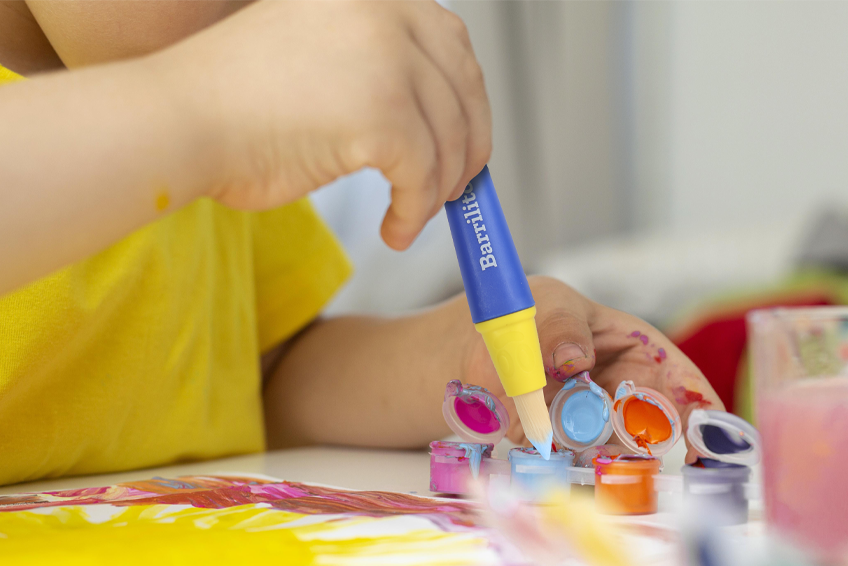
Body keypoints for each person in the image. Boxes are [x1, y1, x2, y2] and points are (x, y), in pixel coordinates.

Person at [0, 0, 722, 486]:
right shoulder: (204, 113)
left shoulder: (213, 131)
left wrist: (467, 355)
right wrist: (205, 108)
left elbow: (269, 375)